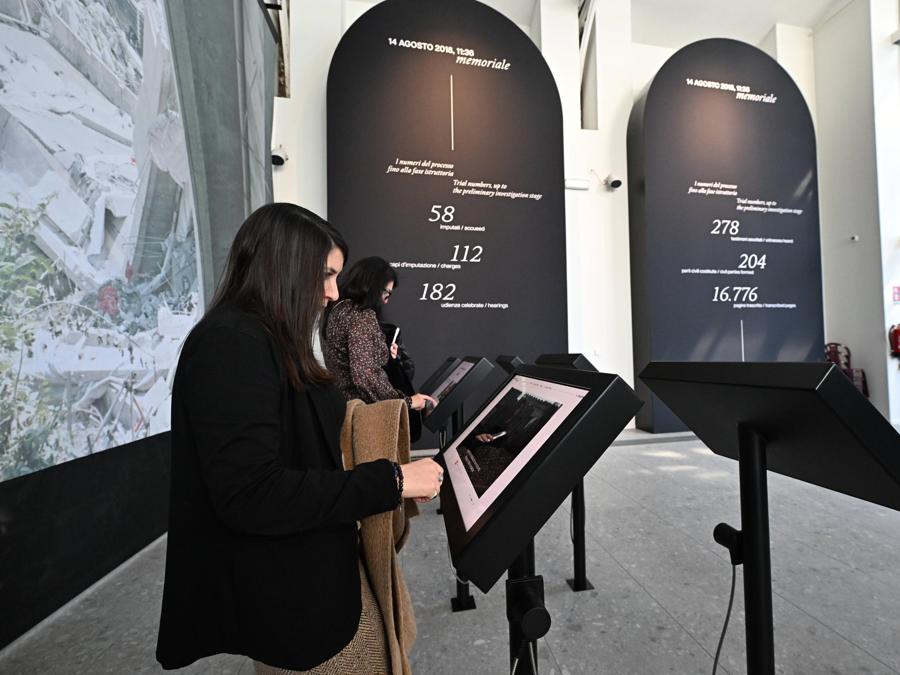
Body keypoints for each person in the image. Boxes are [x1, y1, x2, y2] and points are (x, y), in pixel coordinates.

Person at [155, 204, 444, 673]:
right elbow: (252, 493)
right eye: (325, 275)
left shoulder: (265, 337)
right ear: (284, 265)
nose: (332, 293)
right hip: (295, 596)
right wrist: (390, 480)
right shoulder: (231, 343)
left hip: (313, 574)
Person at [324, 256, 436, 411]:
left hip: (339, 407)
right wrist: (407, 402)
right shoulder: (362, 315)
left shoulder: (339, 309)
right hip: (362, 413)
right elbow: (365, 375)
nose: (386, 301)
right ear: (374, 287)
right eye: (387, 294)